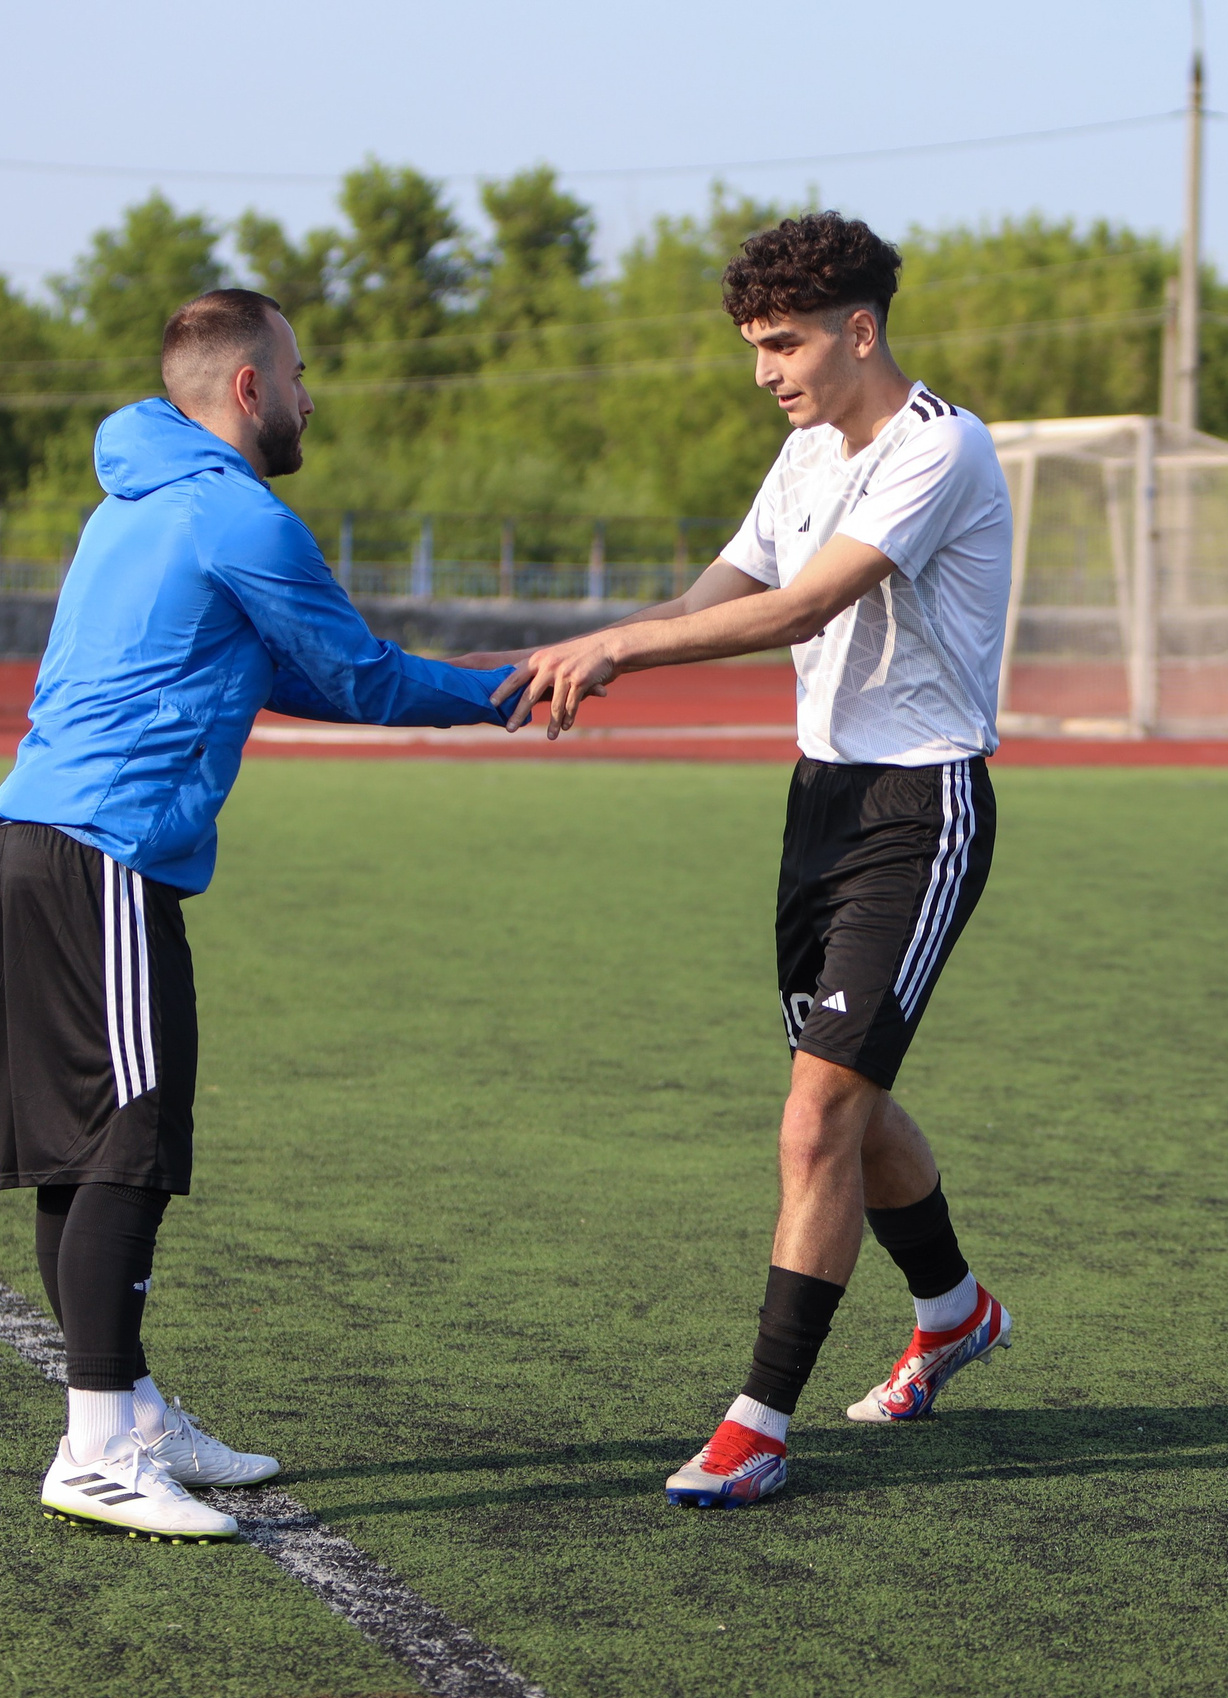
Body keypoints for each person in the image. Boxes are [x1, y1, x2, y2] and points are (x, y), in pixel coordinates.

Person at [0, 289, 519, 1542]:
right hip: (101, 851)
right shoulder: (236, 512)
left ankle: (124, 1410)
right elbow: (356, 673)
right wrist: (507, 688)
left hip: (46, 846)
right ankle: (100, 1442)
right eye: (296, 374)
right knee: (128, 1138)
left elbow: (278, 672)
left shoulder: (137, 503)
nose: (306, 397)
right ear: (245, 389)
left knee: (91, 1147)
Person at [505, 213, 1015, 1508]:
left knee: (814, 1118)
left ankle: (759, 1424)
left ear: (860, 329)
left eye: (782, 343)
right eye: (752, 345)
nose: (764, 371)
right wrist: (571, 651)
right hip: (819, 810)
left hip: (921, 807)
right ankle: (953, 1307)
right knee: (846, 1097)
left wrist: (625, 649)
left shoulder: (939, 445)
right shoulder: (801, 454)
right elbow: (714, 592)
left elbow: (798, 607)